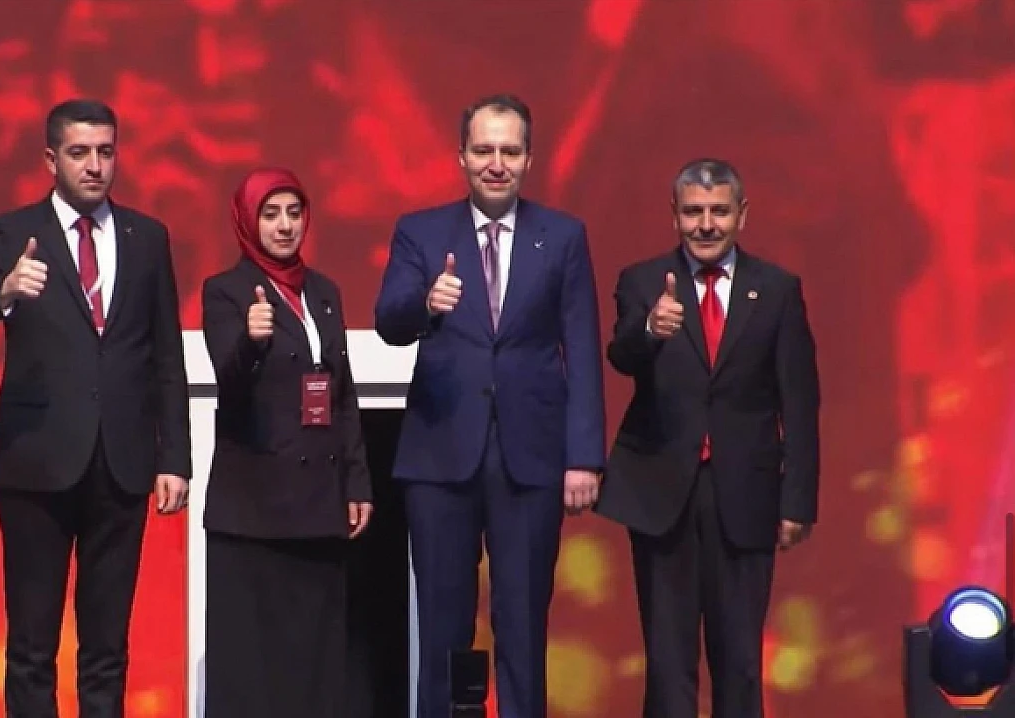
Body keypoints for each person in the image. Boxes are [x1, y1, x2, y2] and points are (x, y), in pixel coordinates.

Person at [0, 98, 191, 718]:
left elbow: (166, 355)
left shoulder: (147, 238)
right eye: (80, 153)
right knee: (33, 643)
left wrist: (175, 457)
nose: (94, 166)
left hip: (122, 462)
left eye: (105, 152)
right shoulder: (11, 232)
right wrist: (4, 290)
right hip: (37, 460)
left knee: (107, 646)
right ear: (50, 159)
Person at [373, 94, 607, 718]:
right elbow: (389, 321)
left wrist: (583, 458)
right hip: (440, 457)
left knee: (523, 625)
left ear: (529, 158)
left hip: (530, 459)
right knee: (443, 627)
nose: (496, 163)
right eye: (483, 150)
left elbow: (582, 348)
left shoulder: (563, 236)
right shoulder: (421, 232)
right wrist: (426, 303)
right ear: (461, 157)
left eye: (509, 150)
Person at [594, 158, 821, 718]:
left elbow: (799, 401)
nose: (706, 225)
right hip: (661, 494)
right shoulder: (643, 281)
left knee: (740, 659)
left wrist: (797, 500)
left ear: (743, 214)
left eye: (719, 211)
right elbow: (622, 355)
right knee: (668, 661)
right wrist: (651, 330)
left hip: (745, 494)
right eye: (693, 212)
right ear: (674, 214)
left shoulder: (777, 290)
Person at [200, 167, 374, 718]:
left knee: (314, 660)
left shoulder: (324, 293)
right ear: (247, 222)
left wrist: (357, 482)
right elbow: (229, 379)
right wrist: (251, 342)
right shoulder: (225, 292)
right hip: (253, 511)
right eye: (270, 214)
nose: (284, 226)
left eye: (293, 214)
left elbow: (341, 393)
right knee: (253, 667)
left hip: (318, 505)